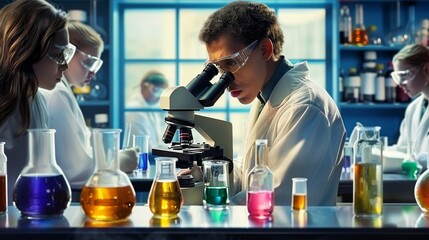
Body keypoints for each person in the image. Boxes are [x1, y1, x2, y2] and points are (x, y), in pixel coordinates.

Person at [198, 1, 346, 206]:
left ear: (265, 50)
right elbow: (252, 175)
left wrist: (216, 210)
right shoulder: (264, 98)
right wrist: (208, 173)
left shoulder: (305, 107)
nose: (225, 80)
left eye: (231, 63)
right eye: (218, 69)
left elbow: (277, 197)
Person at [0, 0, 74, 203]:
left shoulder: (36, 99)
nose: (65, 65)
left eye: (67, 53)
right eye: (59, 54)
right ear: (26, 49)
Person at [39, 21, 104, 190]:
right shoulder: (58, 93)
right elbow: (75, 171)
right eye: (89, 63)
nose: (93, 73)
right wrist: (114, 162)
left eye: (96, 65)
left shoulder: (62, 91)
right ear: (69, 51)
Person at [387, 44, 429, 166]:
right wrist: (374, 150)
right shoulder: (413, 108)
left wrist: (417, 159)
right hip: (417, 182)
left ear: (426, 70)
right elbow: (405, 149)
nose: (400, 84)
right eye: (398, 77)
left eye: (404, 76)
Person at [125, 70, 169, 154]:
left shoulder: (151, 108)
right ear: (143, 86)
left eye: (162, 91)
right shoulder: (134, 110)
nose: (159, 96)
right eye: (155, 90)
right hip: (137, 160)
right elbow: (142, 147)